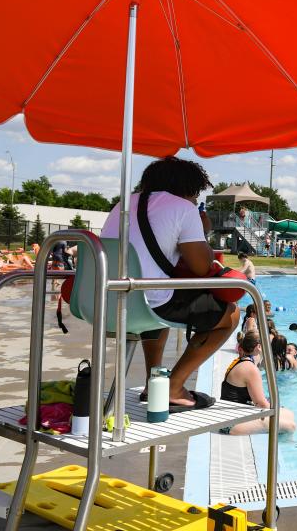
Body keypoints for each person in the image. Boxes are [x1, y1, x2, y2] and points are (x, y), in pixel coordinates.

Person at [102, 156, 238, 412]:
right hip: (147, 301)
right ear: (186, 189)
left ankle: (151, 382)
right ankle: (173, 387)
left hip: (105, 302)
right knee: (230, 314)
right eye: (195, 194)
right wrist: (202, 230)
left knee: (158, 297)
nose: (196, 200)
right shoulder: (182, 208)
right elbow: (201, 266)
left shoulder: (122, 203)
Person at [220, 333, 297, 435]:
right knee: (290, 426)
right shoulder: (251, 369)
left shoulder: (241, 361)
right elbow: (261, 404)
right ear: (259, 347)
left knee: (289, 414)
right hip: (230, 424)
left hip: (230, 416)